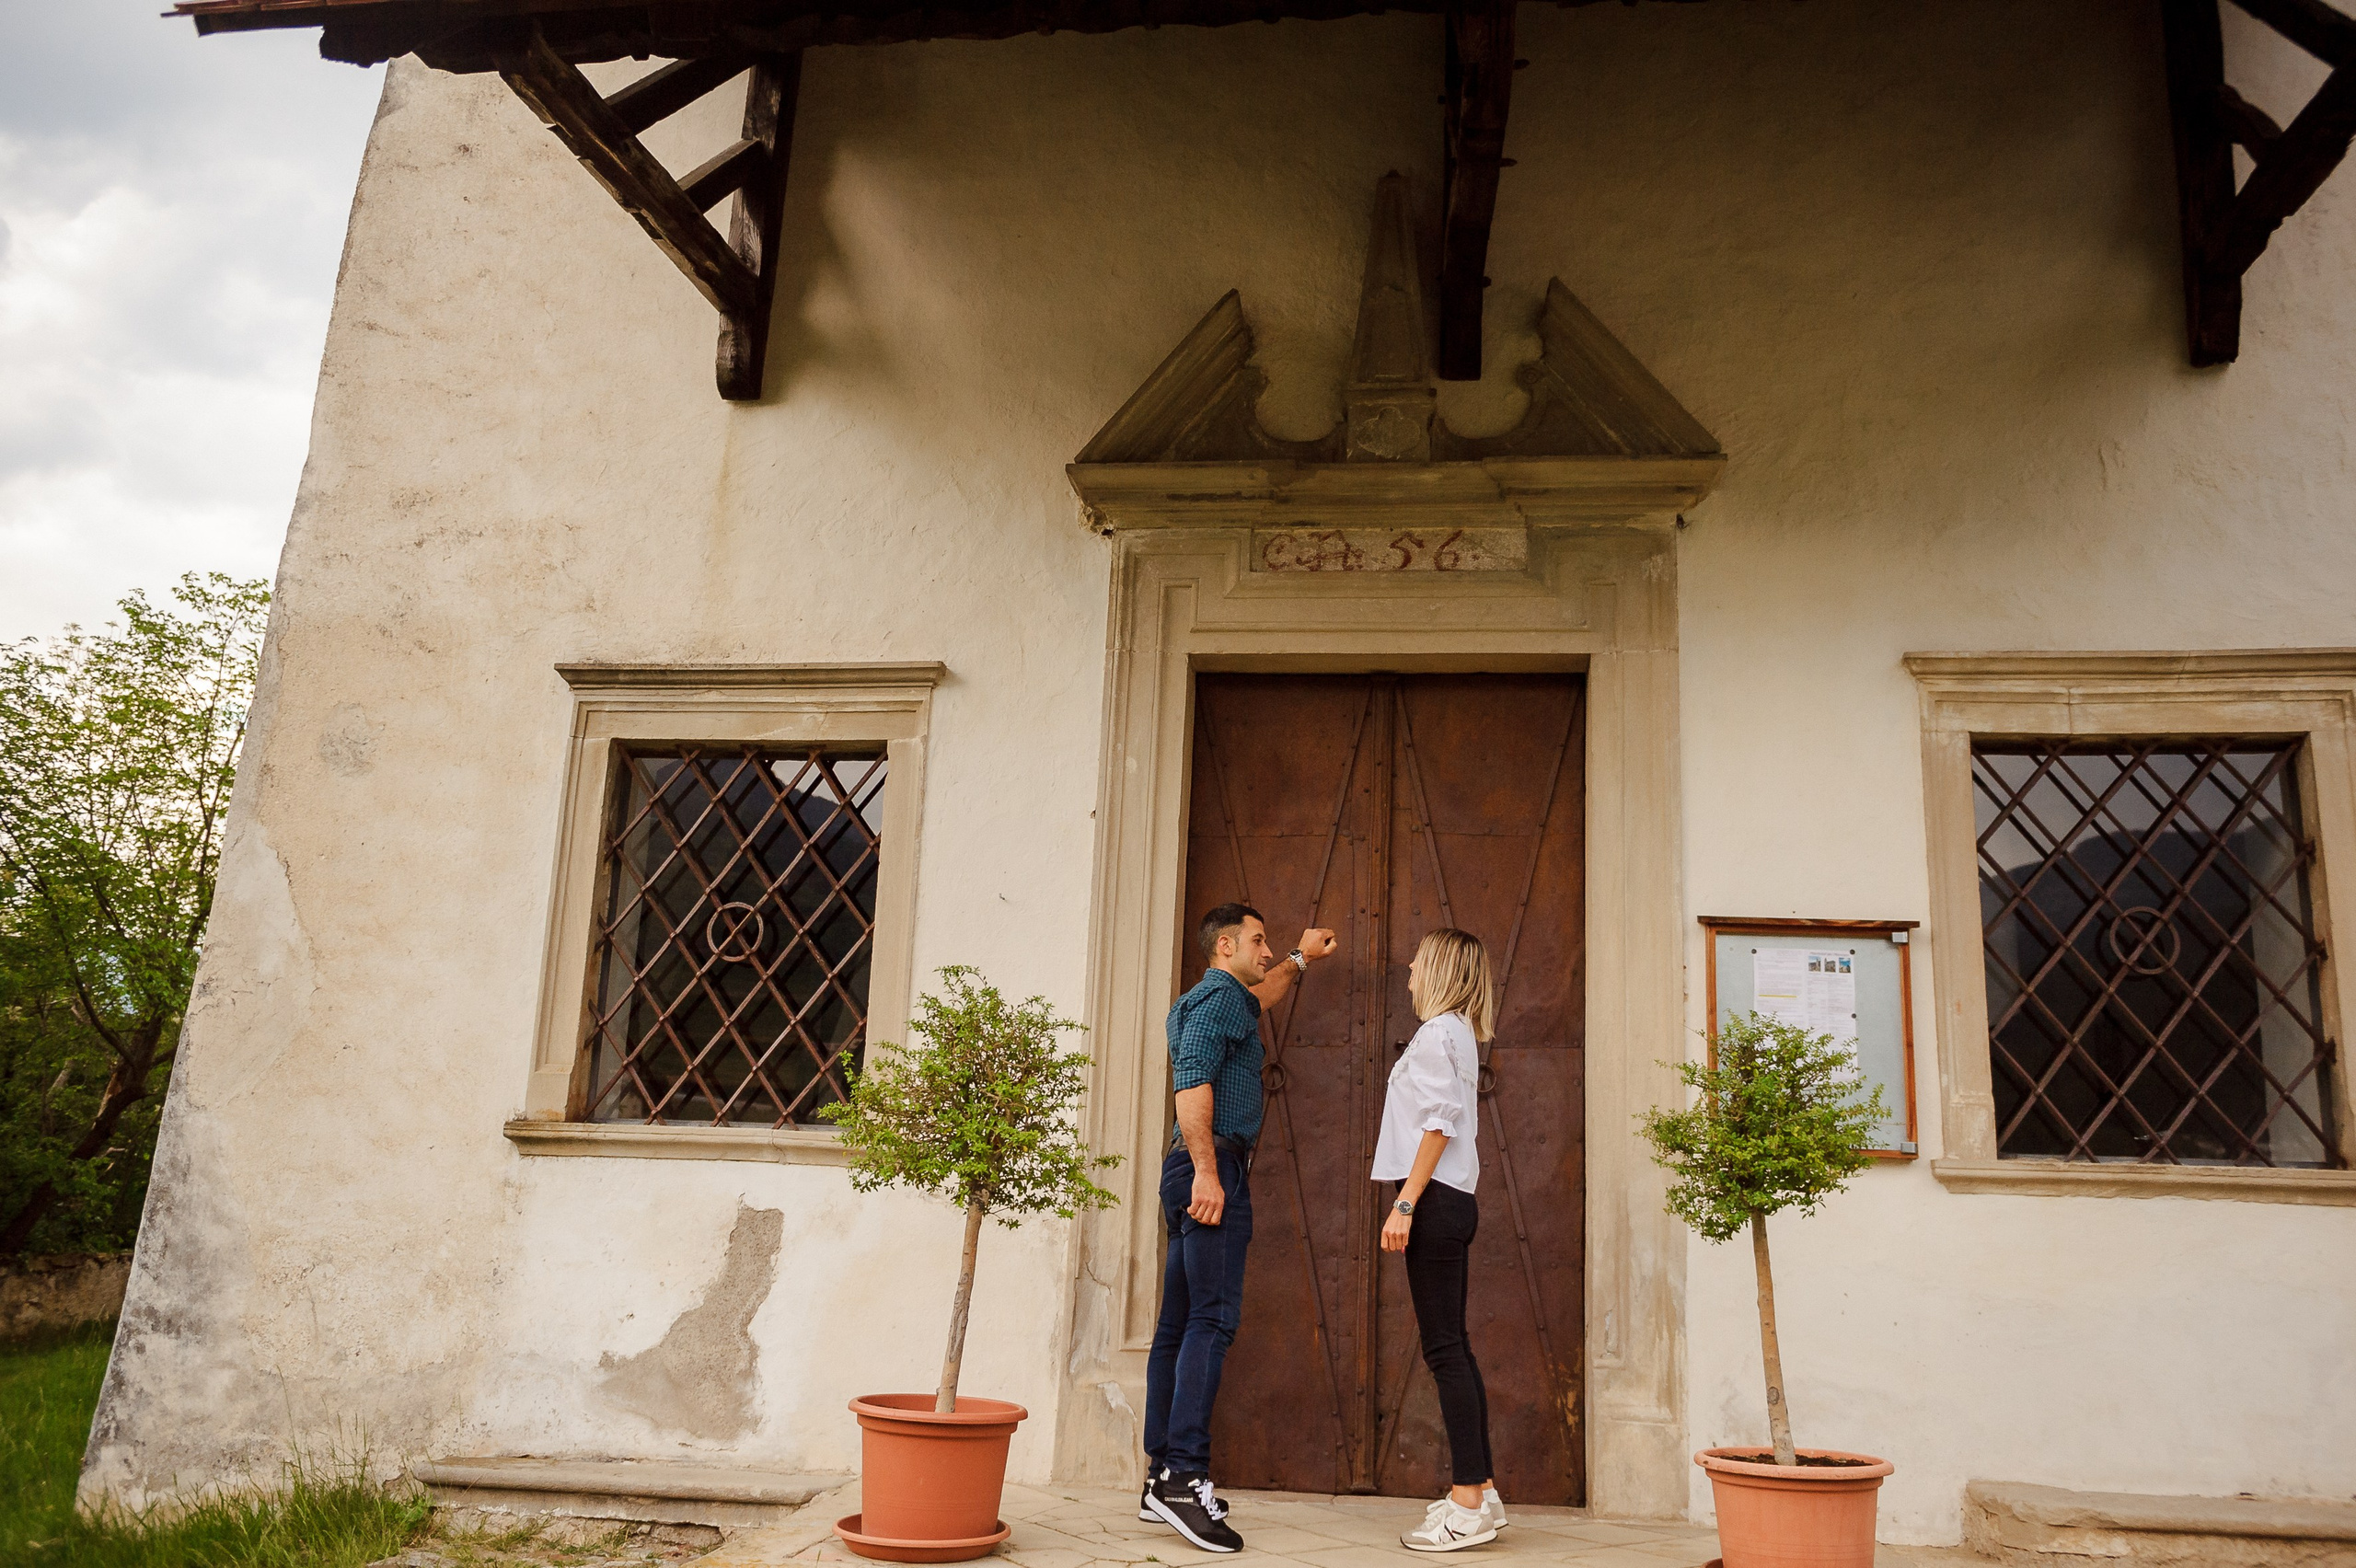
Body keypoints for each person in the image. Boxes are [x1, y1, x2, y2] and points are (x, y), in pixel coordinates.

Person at [1139, 901, 1337, 1553]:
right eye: (1260, 940)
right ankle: (1182, 1476)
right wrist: (1207, 1173)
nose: (1267, 950)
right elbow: (1192, 1081)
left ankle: (1159, 1477)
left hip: (1191, 1168)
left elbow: (1266, 991)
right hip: (1208, 1167)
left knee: (1178, 1323)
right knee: (1211, 1321)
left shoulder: (1216, 998)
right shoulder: (1220, 1002)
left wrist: (1302, 959)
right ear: (1225, 946)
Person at [1377, 928, 1507, 1552]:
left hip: (1433, 1200)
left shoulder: (1437, 1034)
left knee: (1445, 1353)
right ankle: (1481, 1488)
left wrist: (1405, 1202)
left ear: (1440, 971)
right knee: (1455, 1349)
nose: (1408, 968)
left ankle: (1468, 1506)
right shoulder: (1459, 1033)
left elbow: (1437, 1124)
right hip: (1453, 1200)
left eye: (1418, 961)